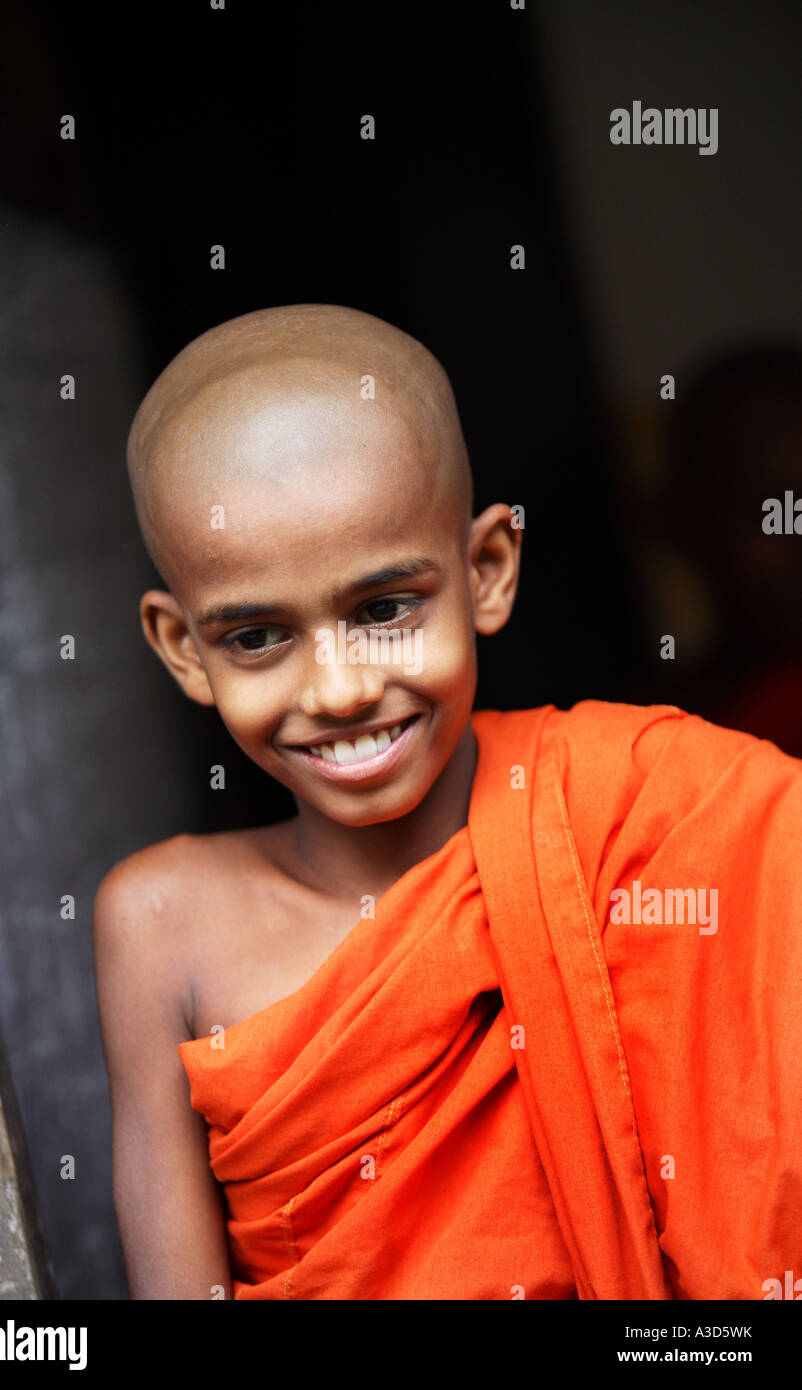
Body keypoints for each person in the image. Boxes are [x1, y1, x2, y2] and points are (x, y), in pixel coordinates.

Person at [93, 303, 802, 1300]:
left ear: (486, 572)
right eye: (255, 635)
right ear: (182, 649)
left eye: (383, 609)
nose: (336, 689)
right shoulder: (160, 920)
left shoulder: (651, 808)